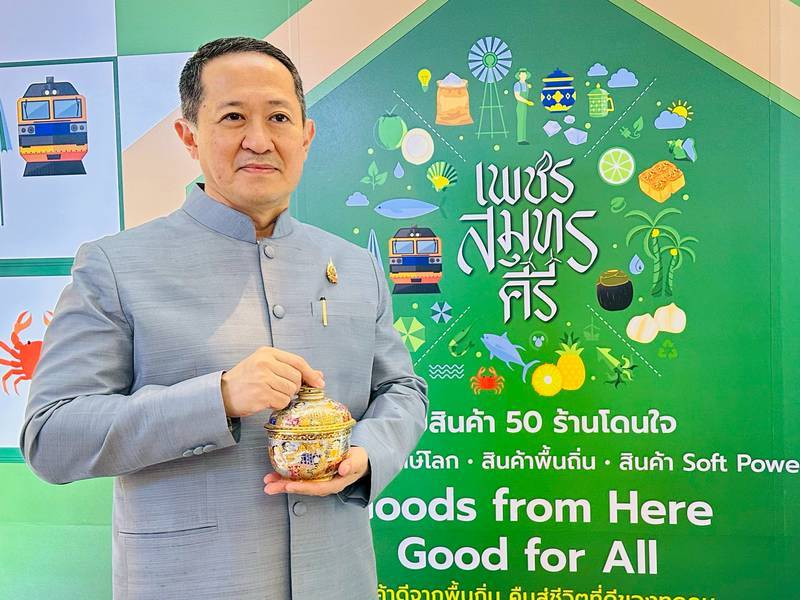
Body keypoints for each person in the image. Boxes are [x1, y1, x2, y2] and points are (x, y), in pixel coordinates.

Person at [20, 36, 428, 600]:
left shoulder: (356, 266)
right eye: (233, 116)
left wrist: (368, 452)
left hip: (340, 579)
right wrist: (218, 399)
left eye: (278, 117)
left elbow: (402, 389)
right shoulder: (116, 266)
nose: (258, 140)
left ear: (305, 136)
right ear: (188, 135)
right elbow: (51, 437)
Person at [513, 68, 534, 144]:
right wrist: (527, 102)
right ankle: (520, 140)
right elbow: (517, 96)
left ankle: (523, 138)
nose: (523, 76)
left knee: (524, 122)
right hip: (520, 105)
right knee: (521, 122)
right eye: (521, 74)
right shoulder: (517, 85)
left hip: (525, 106)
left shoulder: (525, 84)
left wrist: (528, 86)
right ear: (519, 75)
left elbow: (527, 87)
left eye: (524, 74)